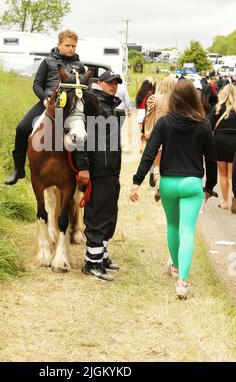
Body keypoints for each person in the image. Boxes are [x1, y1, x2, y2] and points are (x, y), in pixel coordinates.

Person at [130, 81, 217, 298]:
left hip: (168, 182)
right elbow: (211, 161)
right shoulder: (204, 125)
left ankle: (176, 266)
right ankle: (182, 283)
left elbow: (149, 153)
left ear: (173, 99)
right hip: (191, 183)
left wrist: (136, 181)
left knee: (172, 226)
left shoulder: (164, 123)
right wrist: (209, 187)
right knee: (187, 230)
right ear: (195, 99)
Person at [5, 30, 85, 185]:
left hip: (71, 106)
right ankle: (18, 169)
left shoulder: (79, 66)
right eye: (67, 45)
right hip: (49, 103)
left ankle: (84, 171)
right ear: (59, 45)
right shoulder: (48, 61)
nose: (71, 48)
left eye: (73, 46)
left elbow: (83, 87)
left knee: (85, 131)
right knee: (21, 129)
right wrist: (44, 99)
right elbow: (37, 85)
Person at [74, 71, 123, 281]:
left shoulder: (110, 105)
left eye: (116, 83)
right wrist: (83, 167)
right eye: (110, 83)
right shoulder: (92, 104)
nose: (113, 86)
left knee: (109, 214)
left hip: (111, 170)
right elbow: (80, 139)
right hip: (97, 170)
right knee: (97, 216)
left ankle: (101, 256)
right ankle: (91, 263)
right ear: (99, 83)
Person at [143, 75, 176, 199]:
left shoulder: (154, 98)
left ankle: (157, 185)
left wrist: (147, 133)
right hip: (174, 136)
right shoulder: (178, 100)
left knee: (156, 162)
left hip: (158, 133)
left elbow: (149, 117)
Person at [209, 84, 236, 210]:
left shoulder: (217, 108)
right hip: (234, 142)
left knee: (223, 174)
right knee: (232, 175)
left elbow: (210, 128)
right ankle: (235, 198)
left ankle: (225, 202)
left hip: (219, 142)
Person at [135, 78, 154, 153]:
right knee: (147, 132)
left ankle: (141, 146)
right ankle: (146, 146)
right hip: (146, 112)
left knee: (140, 132)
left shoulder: (139, 93)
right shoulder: (150, 93)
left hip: (140, 113)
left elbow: (137, 104)